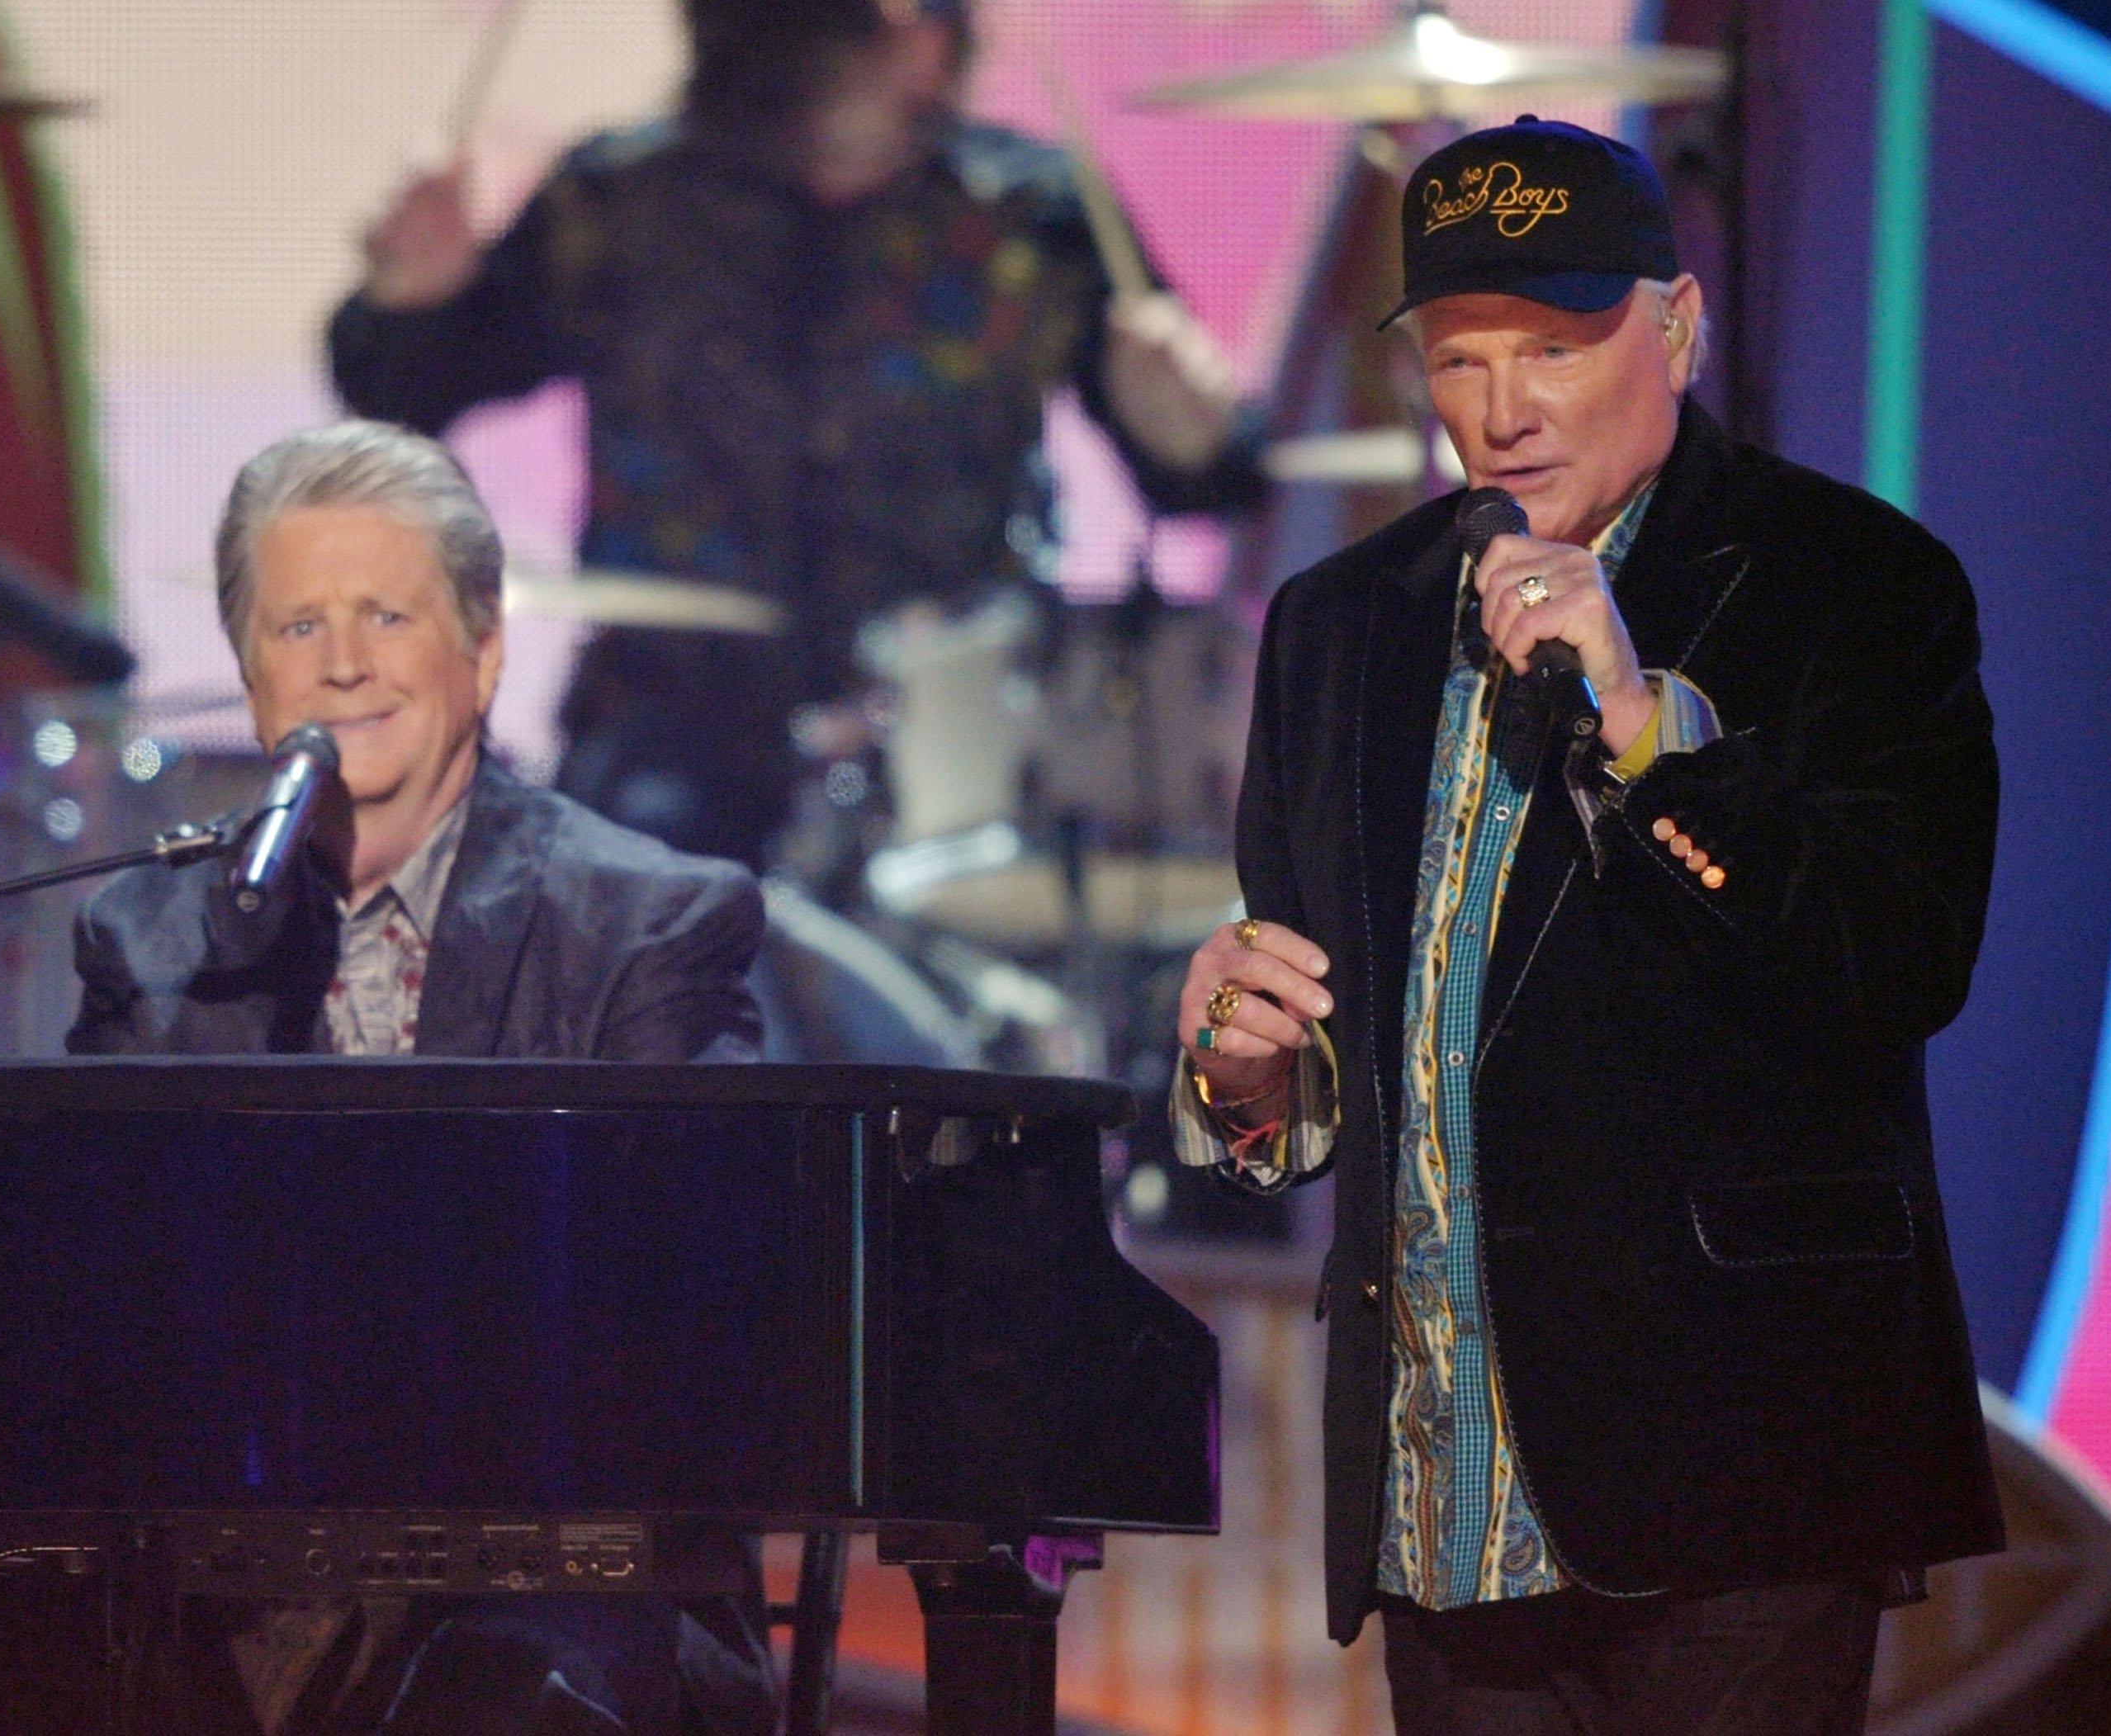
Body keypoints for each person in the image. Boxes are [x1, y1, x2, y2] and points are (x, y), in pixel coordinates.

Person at [1170, 118, 2002, 1731]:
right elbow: (1328, 1084)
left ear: (1677, 326)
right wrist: (1244, 1074)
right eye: (1461, 354)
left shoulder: (1852, 582)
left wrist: (1640, 726)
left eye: (1555, 345)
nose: (1502, 405)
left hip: (1738, 1473)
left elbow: (1899, 959)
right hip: (1446, 1482)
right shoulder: (1342, 622)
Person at [67, 420, 775, 1735]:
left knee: (490, 1695)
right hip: (229, 1579)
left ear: (485, 647)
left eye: (387, 614)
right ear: (249, 671)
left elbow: (691, 1320)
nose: (342, 664)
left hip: (557, 1574)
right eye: (297, 628)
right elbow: (106, 1303)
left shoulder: (652, 922)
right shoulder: (149, 936)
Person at [328, 0, 1265, 872]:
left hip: (960, 755)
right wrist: (411, 300)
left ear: (931, 45)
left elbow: (1206, 480)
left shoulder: (1030, 212)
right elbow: (406, 388)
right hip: (666, 737)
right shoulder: (618, 204)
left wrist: (1194, 433)